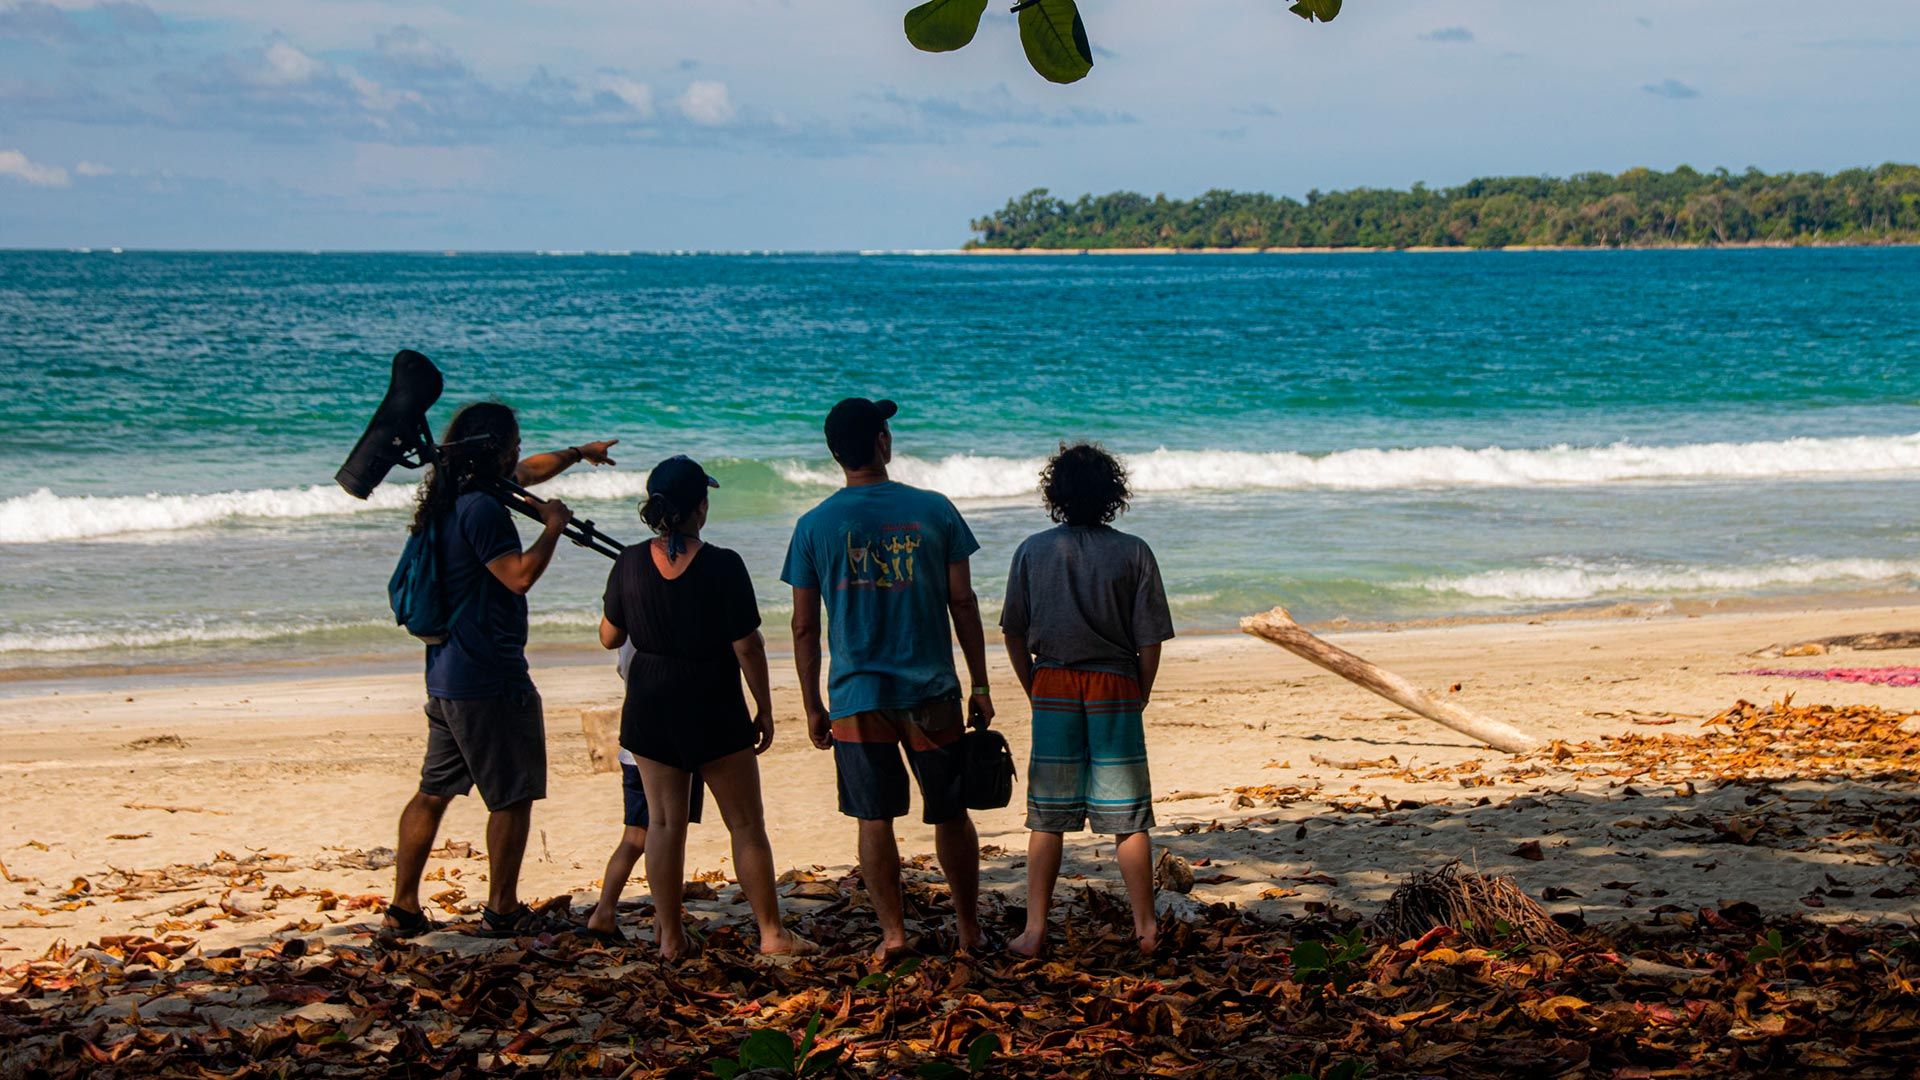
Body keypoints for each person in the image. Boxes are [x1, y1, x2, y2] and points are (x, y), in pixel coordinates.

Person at [381, 403, 617, 939]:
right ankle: (503, 908)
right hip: (487, 674)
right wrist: (553, 528)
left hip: (445, 674)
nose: (518, 451)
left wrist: (580, 453)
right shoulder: (483, 509)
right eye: (513, 443)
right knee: (512, 794)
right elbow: (517, 577)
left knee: (432, 791)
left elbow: (530, 471)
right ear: (495, 450)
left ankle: (402, 909)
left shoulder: (451, 493)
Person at [781, 398, 994, 961]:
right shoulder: (934, 510)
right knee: (950, 811)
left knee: (874, 817)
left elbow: (804, 628)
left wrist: (811, 704)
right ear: (882, 443)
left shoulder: (813, 526)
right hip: (931, 691)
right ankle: (969, 930)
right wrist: (980, 684)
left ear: (834, 455)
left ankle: (895, 934)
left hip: (856, 695)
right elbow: (963, 602)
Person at [600, 455, 808, 959]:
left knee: (664, 825)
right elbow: (748, 645)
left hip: (650, 703)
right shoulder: (723, 563)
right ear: (701, 506)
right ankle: (772, 933)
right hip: (711, 699)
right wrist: (764, 707)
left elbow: (610, 637)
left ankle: (670, 937)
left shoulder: (627, 561)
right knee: (745, 824)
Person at [1000, 443, 1173, 957]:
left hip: (1051, 681)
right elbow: (1150, 639)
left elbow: (1013, 629)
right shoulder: (1134, 551)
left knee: (1047, 815)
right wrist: (1140, 691)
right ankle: (1145, 929)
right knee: (1129, 815)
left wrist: (1031, 684)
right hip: (1116, 683)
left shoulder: (1032, 550)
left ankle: (1034, 931)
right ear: (1112, 495)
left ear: (1055, 495)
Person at [580, 641, 708, 943]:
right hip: (671, 742)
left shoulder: (628, 630)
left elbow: (622, 668)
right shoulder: (666, 623)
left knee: (636, 836)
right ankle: (666, 924)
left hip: (633, 746)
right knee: (671, 835)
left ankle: (604, 910)